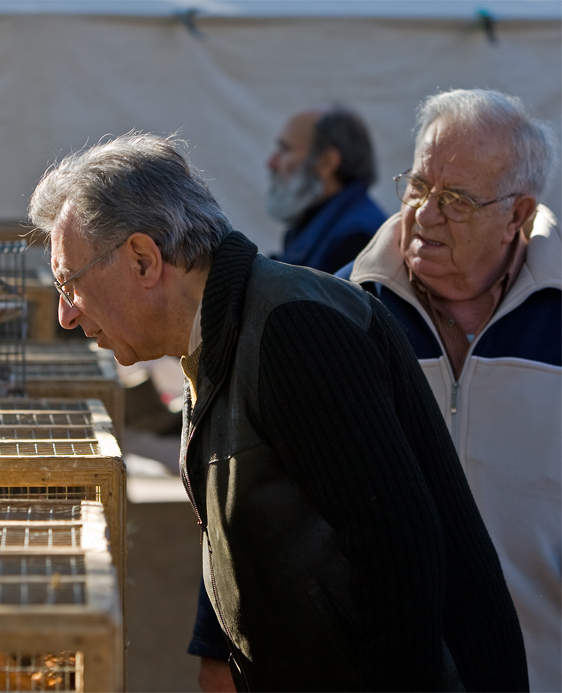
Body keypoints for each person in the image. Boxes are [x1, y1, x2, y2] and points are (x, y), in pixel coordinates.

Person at [29, 132, 528, 691]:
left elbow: (399, 553)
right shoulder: (221, 333)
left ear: (144, 259)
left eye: (69, 282)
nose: (66, 315)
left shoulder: (293, 329)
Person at [337, 88, 560, 693]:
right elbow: (259, 480)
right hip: (373, 672)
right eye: (418, 186)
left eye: (456, 200)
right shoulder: (339, 312)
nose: (425, 216)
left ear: (517, 215)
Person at [267, 104, 387, 274]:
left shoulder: (356, 238)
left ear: (326, 162)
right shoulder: (316, 221)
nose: (271, 163)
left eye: (285, 149)